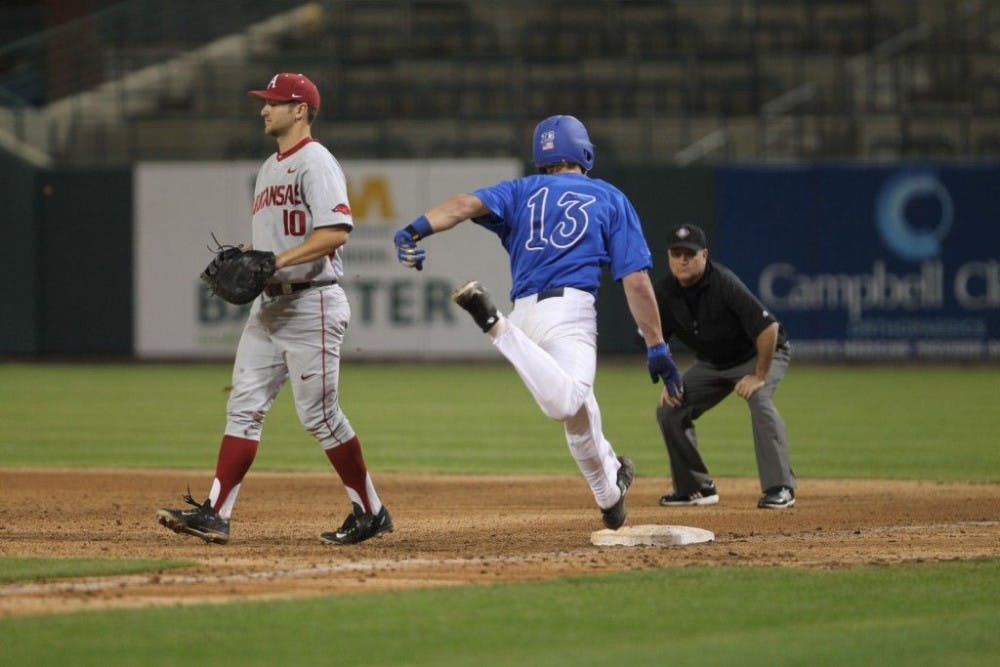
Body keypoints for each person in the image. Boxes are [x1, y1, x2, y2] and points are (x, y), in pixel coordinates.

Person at [392, 114, 682, 530]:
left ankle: (611, 494)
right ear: (584, 151)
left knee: (579, 410)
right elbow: (635, 281)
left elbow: (461, 206)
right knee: (565, 402)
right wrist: (656, 344)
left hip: (527, 315)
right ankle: (493, 324)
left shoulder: (520, 190)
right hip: (567, 313)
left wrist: (412, 231)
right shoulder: (608, 196)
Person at [158, 73, 392, 545]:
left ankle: (371, 511)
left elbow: (336, 232)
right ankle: (216, 514)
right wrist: (249, 254)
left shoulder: (317, 162)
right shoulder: (269, 167)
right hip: (268, 308)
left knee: (320, 418)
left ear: (300, 109)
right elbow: (271, 243)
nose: (264, 110)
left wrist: (275, 261)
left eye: (273, 102)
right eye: (264, 102)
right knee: (243, 409)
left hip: (312, 304)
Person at [653, 223, 796, 509]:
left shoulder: (723, 282)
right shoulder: (665, 291)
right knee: (670, 408)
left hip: (758, 354)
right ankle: (696, 487)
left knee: (759, 397)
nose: (682, 259)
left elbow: (769, 328)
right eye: (676, 253)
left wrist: (758, 375)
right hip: (714, 363)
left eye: (689, 254)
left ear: (704, 255)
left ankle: (780, 487)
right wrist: (670, 379)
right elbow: (655, 336)